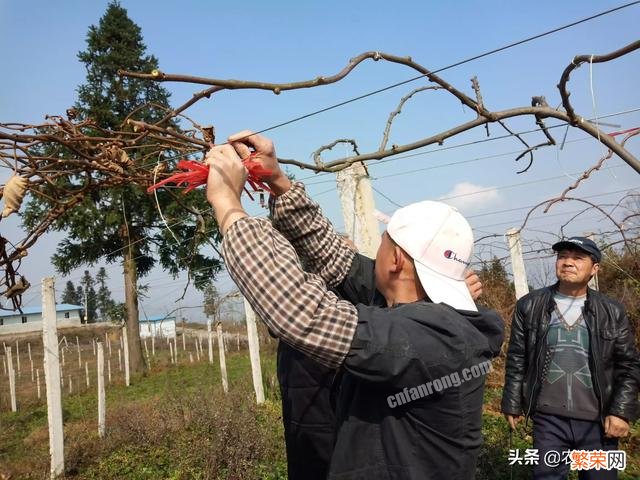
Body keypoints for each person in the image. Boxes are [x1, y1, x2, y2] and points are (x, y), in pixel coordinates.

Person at [205, 130, 504, 479]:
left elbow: (304, 313)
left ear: (395, 261)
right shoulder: (421, 314)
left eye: (383, 242)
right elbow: (331, 256)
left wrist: (227, 205)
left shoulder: (431, 338)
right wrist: (277, 180)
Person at [501, 237, 640, 479]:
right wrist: (512, 402)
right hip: (549, 421)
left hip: (598, 422)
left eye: (577, 258)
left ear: (594, 268)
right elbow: (517, 358)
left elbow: (628, 365)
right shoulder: (530, 305)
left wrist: (621, 412)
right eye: (563, 256)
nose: (568, 263)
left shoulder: (611, 311)